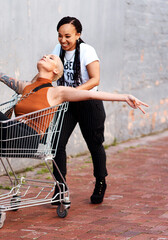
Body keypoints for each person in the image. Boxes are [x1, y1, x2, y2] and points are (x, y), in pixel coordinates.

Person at [0, 54, 148, 189]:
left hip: (27, 140)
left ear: (56, 70)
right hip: (7, 137)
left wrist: (125, 97)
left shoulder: (58, 91)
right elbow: (10, 81)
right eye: (45, 55)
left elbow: (92, 94)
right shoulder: (27, 87)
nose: (45, 56)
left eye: (50, 58)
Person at [50, 16, 109, 204]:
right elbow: (48, 73)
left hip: (89, 102)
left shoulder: (86, 50)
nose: (63, 40)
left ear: (78, 34)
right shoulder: (57, 50)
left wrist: (72, 92)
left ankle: (100, 181)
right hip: (67, 104)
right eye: (60, 36)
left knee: (94, 144)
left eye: (67, 36)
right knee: (56, 144)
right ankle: (60, 187)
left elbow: (95, 79)